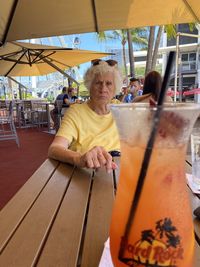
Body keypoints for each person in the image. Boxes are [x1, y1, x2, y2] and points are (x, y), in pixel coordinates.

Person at [48, 59, 122, 173]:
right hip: (86, 174)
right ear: (89, 86)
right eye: (98, 83)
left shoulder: (122, 110)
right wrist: (79, 159)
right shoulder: (76, 112)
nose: (103, 89)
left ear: (115, 88)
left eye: (108, 83)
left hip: (119, 171)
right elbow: (54, 149)